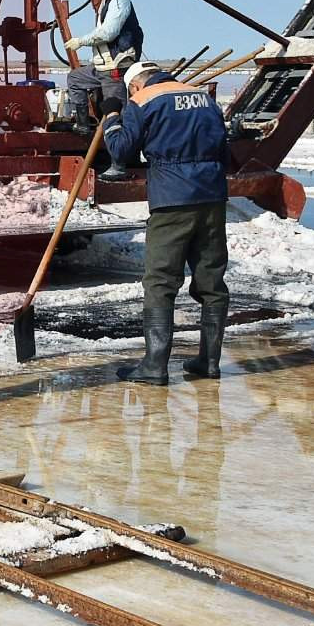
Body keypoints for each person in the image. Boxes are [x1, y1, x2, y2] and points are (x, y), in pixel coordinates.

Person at [101, 60, 229, 385]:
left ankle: (154, 366)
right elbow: (223, 146)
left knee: (160, 282)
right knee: (212, 282)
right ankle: (209, 362)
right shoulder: (202, 97)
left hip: (172, 199)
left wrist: (112, 116)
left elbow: (121, 151)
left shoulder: (143, 101)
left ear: (134, 86)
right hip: (213, 197)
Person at [63, 0, 144, 141]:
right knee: (75, 78)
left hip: (115, 68)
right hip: (103, 68)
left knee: (116, 113)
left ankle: (120, 154)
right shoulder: (106, 6)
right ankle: (83, 125)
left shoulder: (119, 3)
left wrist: (81, 41)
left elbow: (108, 33)